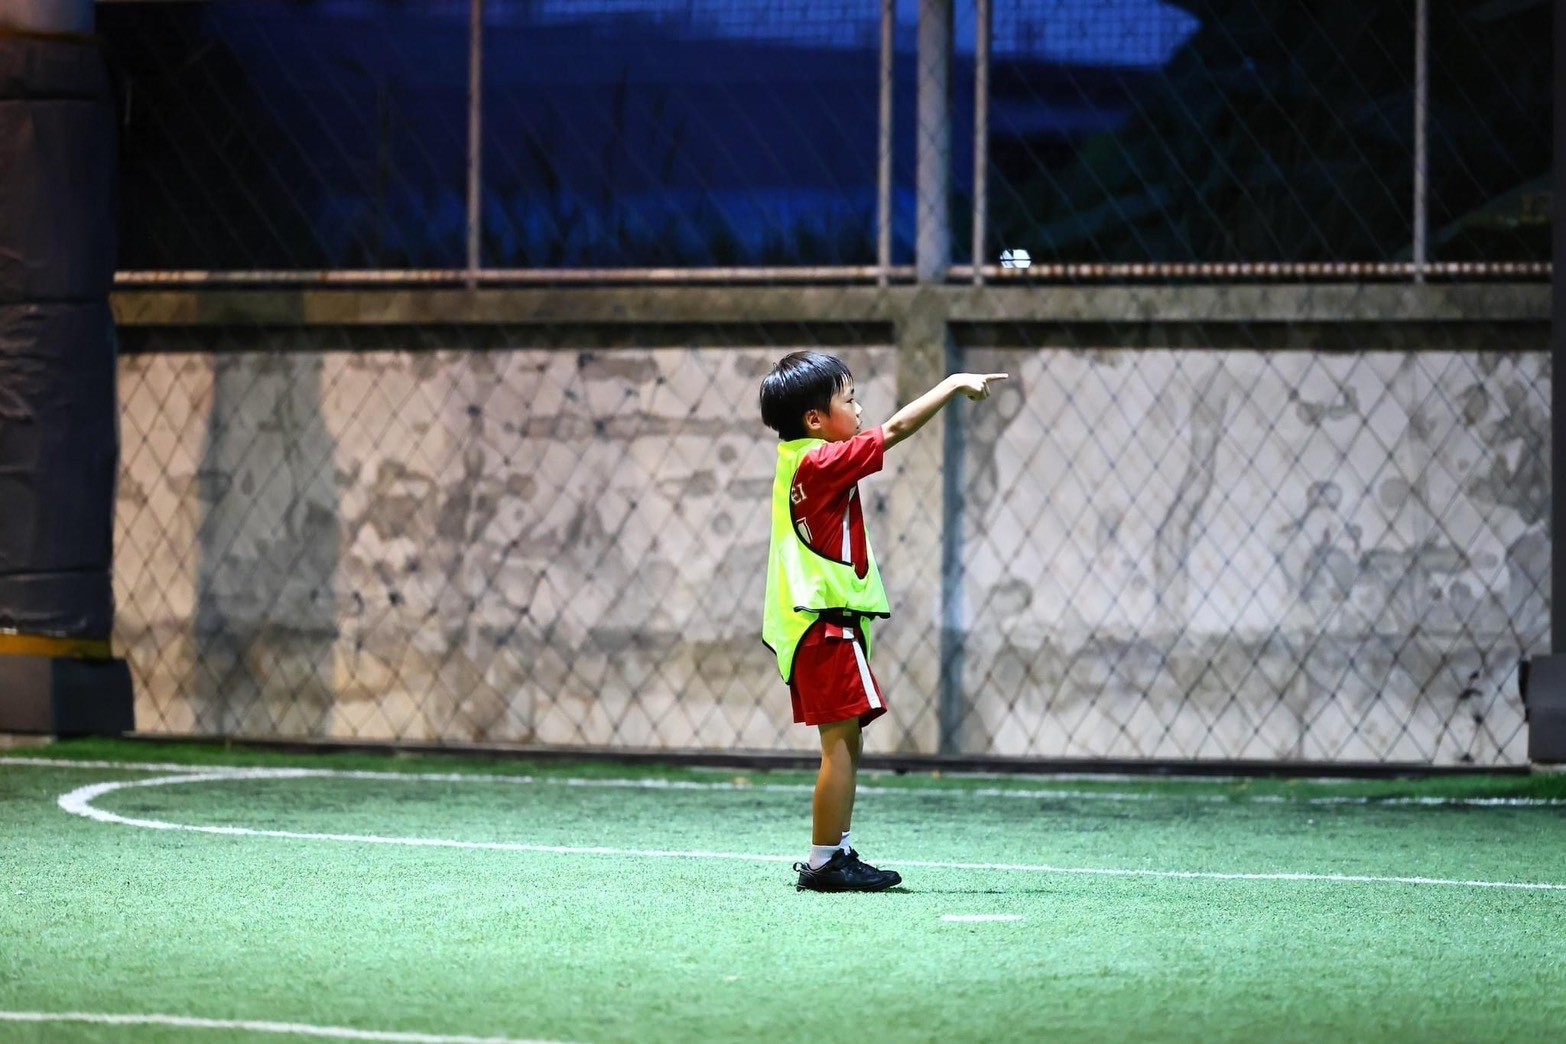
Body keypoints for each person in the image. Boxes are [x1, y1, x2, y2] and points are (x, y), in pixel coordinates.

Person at [758, 351, 1008, 892]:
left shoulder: (795, 460)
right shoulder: (821, 462)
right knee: (840, 744)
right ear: (814, 420)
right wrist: (951, 385)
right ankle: (826, 860)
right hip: (824, 625)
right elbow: (896, 428)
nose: (859, 407)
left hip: (820, 625)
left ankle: (834, 852)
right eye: (848, 400)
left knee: (845, 741)